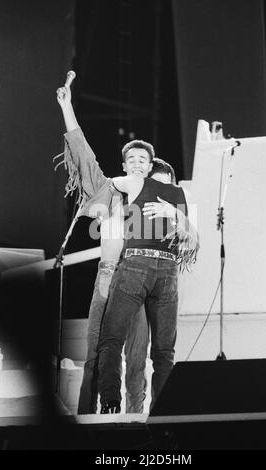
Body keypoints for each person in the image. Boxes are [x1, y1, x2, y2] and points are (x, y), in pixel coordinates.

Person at [56, 82, 185, 414]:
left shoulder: (159, 202)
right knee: (96, 355)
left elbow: (181, 242)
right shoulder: (110, 190)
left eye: (144, 159)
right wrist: (67, 107)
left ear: (151, 166)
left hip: (143, 277)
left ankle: (135, 424)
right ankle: (88, 423)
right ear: (125, 165)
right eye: (132, 159)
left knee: (138, 359)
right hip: (109, 278)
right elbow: (84, 156)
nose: (138, 163)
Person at [98, 156, 199, 413]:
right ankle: (163, 413)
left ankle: (110, 402)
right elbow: (195, 241)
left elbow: (106, 182)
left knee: (112, 338)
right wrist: (176, 212)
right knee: (164, 352)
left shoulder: (136, 182)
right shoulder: (183, 193)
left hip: (137, 265)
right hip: (167, 272)